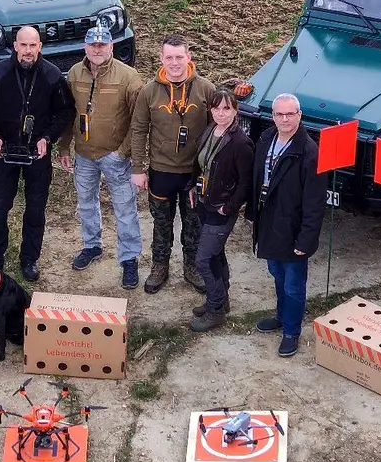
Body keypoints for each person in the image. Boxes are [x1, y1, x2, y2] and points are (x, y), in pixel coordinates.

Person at [0, 26, 72, 282]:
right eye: (23, 45)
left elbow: (65, 111)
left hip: (37, 154)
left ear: (40, 46)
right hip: (4, 151)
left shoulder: (52, 75)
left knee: (35, 210)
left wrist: (47, 138)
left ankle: (29, 259)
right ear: (15, 46)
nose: (28, 51)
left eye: (33, 45)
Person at [57, 25, 145, 290]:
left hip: (115, 155)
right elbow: (68, 113)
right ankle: (92, 246)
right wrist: (64, 147)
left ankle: (129, 258)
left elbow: (140, 121)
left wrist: (124, 152)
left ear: (111, 47)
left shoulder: (129, 77)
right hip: (84, 154)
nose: (97, 50)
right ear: (85, 46)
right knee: (86, 203)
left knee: (125, 208)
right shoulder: (74, 73)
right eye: (93, 45)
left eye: (102, 45)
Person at [127, 35, 215, 294]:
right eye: (169, 57)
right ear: (161, 59)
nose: (174, 63)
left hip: (193, 172)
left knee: (193, 223)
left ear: (189, 57)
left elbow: (216, 130)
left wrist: (211, 168)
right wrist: (137, 168)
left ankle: (192, 266)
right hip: (161, 171)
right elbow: (139, 129)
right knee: (161, 223)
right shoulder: (149, 91)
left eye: (179, 57)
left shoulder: (205, 89)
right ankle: (159, 266)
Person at [245, 93, 327, 357]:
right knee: (276, 272)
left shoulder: (309, 153)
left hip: (293, 230)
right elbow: (257, 178)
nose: (284, 119)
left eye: (290, 114)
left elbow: (315, 203)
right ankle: (281, 316)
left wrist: (306, 240)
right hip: (270, 222)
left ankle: (291, 332)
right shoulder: (266, 138)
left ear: (299, 115)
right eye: (279, 114)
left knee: (293, 284)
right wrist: (253, 213)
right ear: (273, 116)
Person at [187, 88, 254, 331]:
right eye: (216, 108)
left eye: (227, 108)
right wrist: (192, 186)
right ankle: (221, 300)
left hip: (221, 209)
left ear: (235, 110)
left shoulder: (240, 143)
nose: (221, 113)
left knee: (203, 260)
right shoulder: (210, 130)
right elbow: (200, 164)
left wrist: (229, 207)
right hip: (205, 202)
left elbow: (246, 183)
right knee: (215, 254)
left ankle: (215, 310)